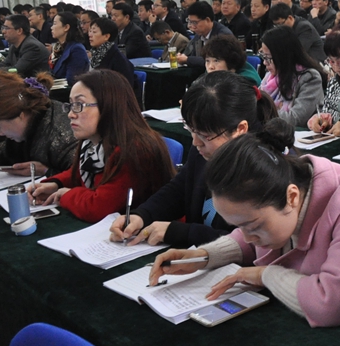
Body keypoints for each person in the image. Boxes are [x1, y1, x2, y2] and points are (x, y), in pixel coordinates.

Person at [148, 119, 340, 327]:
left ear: (292, 197)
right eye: (240, 226)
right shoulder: (282, 187)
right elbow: (253, 236)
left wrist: (265, 274)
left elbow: (331, 305)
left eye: (253, 226)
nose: (247, 236)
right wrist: (203, 256)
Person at [110, 71, 277, 247]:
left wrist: (181, 232)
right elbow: (180, 189)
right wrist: (143, 215)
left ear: (240, 129)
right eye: (191, 130)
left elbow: (252, 243)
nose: (196, 142)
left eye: (205, 135)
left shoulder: (265, 171)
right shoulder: (207, 150)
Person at [29, 70, 175, 222]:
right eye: (71, 105)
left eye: (79, 104)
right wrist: (55, 184)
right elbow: (78, 173)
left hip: (146, 229)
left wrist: (66, 194)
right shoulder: (93, 142)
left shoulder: (134, 149)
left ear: (109, 106)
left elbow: (98, 207)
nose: (71, 114)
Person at [0, 71, 76, 176]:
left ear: (20, 115)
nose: (0, 134)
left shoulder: (62, 138)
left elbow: (82, 178)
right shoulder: (29, 124)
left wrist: (45, 171)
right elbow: (7, 148)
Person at [259, 26, 325, 128]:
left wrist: (262, 112)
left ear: (282, 56)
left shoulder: (309, 78)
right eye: (263, 57)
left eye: (268, 58)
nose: (264, 63)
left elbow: (295, 119)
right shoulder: (270, 77)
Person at [177, 1, 233, 68]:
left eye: (194, 22)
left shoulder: (223, 36)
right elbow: (191, 54)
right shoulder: (199, 35)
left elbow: (214, 61)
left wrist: (187, 60)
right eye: (189, 22)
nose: (191, 26)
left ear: (207, 20)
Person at [87, 18, 136, 89]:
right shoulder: (95, 55)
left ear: (106, 36)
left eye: (94, 32)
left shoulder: (118, 60)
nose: (90, 35)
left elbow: (123, 88)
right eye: (90, 31)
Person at [49, 12, 89, 81]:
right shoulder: (60, 48)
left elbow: (73, 79)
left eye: (55, 24)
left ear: (66, 27)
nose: (51, 27)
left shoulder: (77, 49)